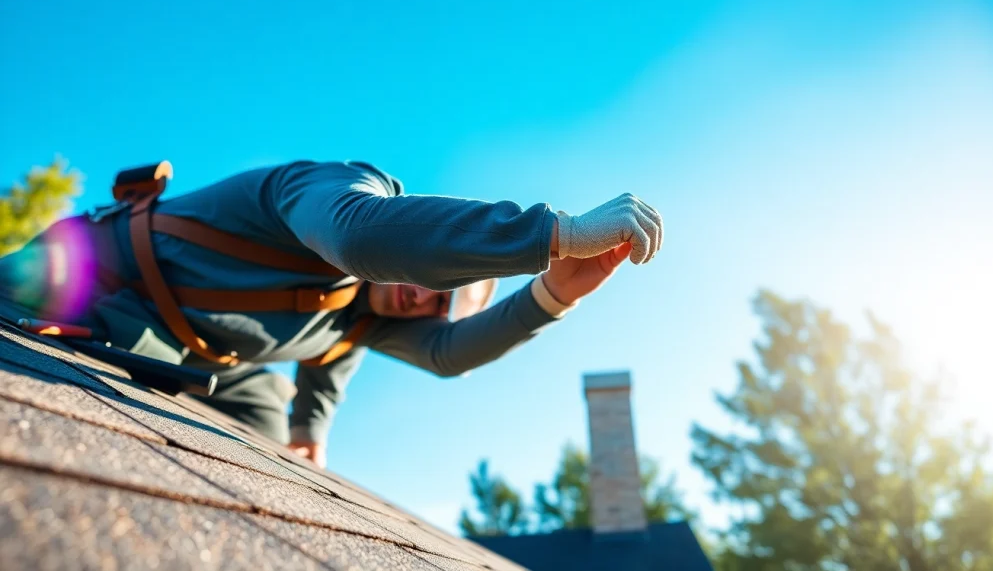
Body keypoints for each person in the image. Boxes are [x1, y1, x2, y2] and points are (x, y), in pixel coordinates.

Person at [0, 159, 663, 467]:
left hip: (179, 349)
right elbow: (359, 237)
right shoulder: (335, 188)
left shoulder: (355, 328)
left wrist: (556, 294)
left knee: (265, 437)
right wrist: (556, 234)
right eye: (432, 283)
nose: (420, 296)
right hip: (88, 271)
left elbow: (448, 355)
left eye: (438, 304)